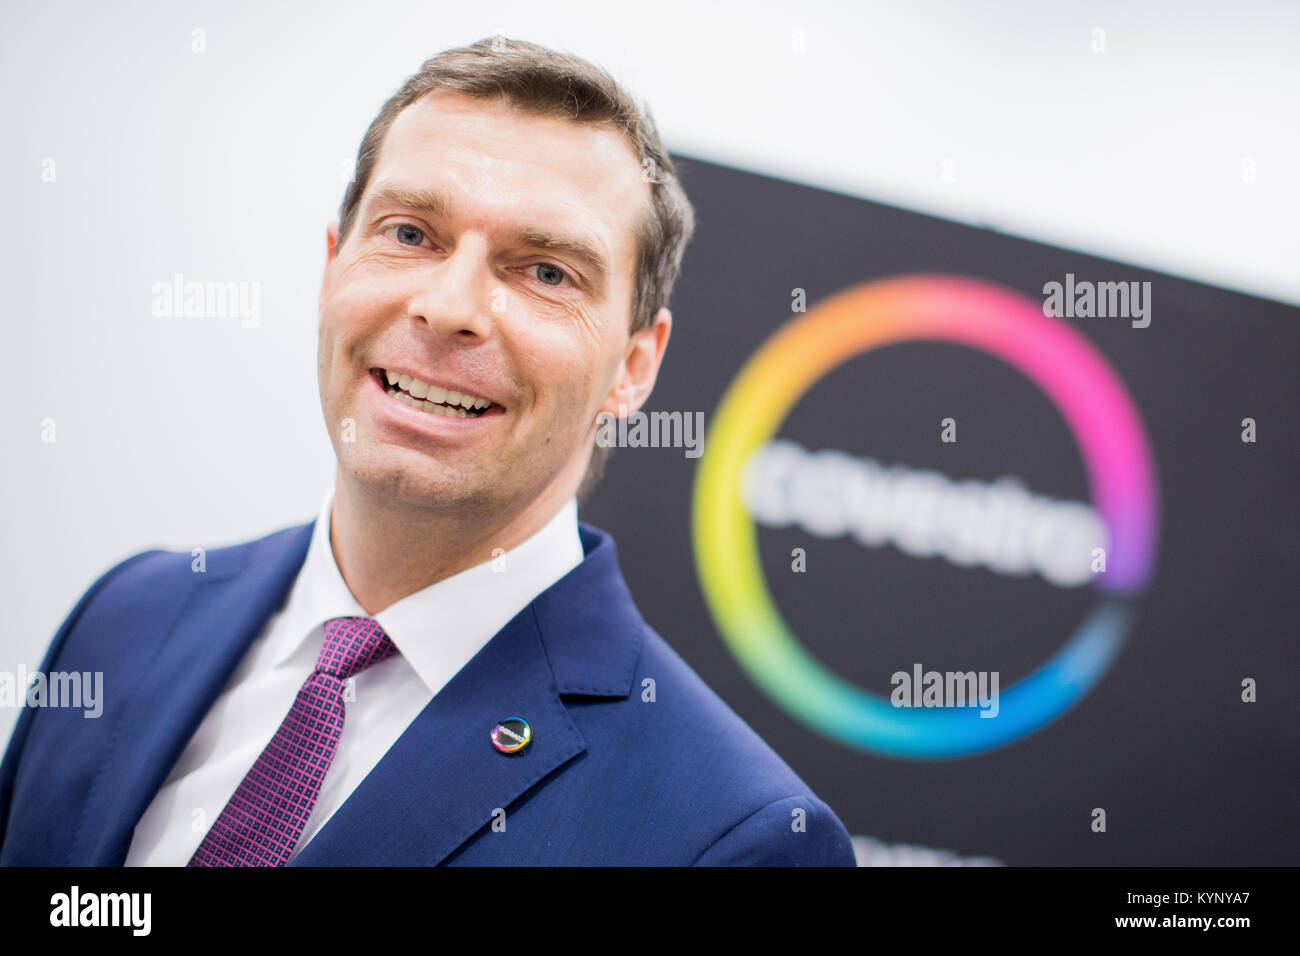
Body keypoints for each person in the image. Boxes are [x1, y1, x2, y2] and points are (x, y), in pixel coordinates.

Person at [0, 37, 856, 867]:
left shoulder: (734, 835)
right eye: (410, 233)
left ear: (633, 368)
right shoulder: (126, 616)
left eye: (547, 272)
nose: (449, 307)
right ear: (333, 269)